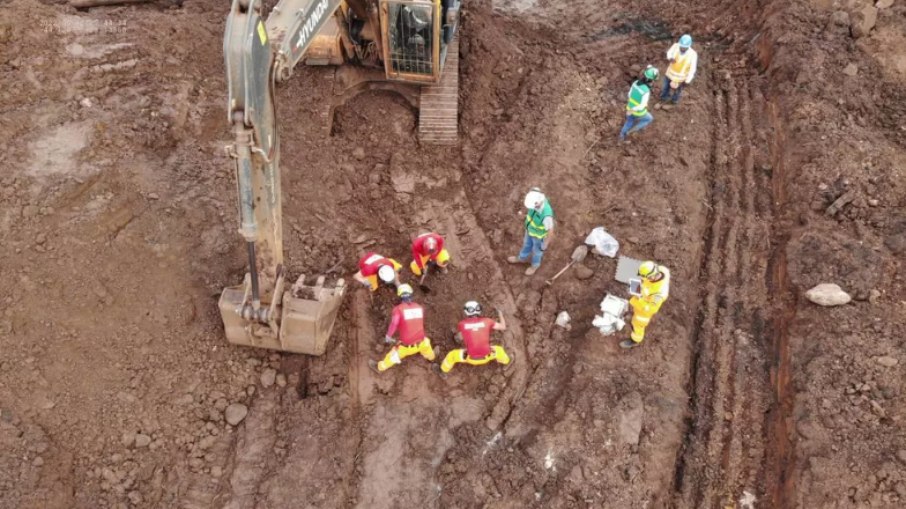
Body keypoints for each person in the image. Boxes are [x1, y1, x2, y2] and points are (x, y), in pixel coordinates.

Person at [369, 284, 437, 372]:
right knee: (427, 345)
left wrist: (388, 336)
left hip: (407, 346)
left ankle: (379, 367)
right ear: (411, 294)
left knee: (394, 355)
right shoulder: (419, 307)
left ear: (400, 296)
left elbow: (394, 323)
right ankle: (431, 358)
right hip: (422, 341)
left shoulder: (398, 309)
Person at [439, 301, 511, 373]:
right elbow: (503, 327)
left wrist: (458, 337)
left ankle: (443, 370)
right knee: (499, 350)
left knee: (451, 356)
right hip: (487, 356)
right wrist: (500, 314)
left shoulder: (462, 324)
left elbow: (463, 334)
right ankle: (506, 361)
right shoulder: (487, 321)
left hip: (469, 358)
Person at [620, 261, 671, 349]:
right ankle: (633, 317)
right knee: (635, 315)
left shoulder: (658, 295)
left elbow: (651, 309)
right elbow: (647, 282)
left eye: (646, 277)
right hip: (645, 297)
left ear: (652, 276)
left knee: (638, 324)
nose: (644, 279)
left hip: (644, 311)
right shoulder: (662, 270)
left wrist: (639, 297)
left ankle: (635, 340)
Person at [507, 187, 554, 276]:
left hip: (539, 238)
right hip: (529, 231)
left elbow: (551, 232)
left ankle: (535, 265)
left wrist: (545, 245)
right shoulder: (535, 196)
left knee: (537, 252)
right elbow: (535, 189)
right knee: (526, 244)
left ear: (537, 203)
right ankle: (522, 258)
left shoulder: (546, 215)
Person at [619, 65, 659, 142]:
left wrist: (631, 108)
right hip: (638, 112)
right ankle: (632, 130)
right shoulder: (646, 91)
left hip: (629, 107)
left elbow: (629, 95)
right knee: (649, 119)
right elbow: (641, 106)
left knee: (628, 122)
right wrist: (634, 109)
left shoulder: (635, 83)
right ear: (651, 80)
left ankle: (621, 136)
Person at [660, 34, 698, 106]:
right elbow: (669, 53)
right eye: (681, 46)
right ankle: (664, 97)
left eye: (684, 48)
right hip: (670, 74)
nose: (682, 48)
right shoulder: (675, 46)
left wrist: (687, 81)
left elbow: (692, 69)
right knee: (665, 87)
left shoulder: (693, 54)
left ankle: (674, 101)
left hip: (680, 78)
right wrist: (670, 57)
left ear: (688, 46)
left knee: (677, 91)